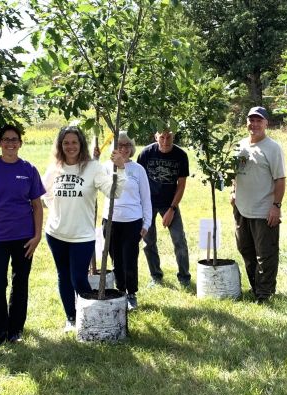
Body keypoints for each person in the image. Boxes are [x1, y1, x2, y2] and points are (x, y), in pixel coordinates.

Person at [42, 126, 127, 332]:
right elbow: (43, 195)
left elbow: (113, 193)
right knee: (63, 276)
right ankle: (71, 317)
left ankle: (89, 315)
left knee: (78, 278)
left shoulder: (93, 168)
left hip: (82, 236)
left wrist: (121, 169)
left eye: (74, 142)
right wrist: (56, 208)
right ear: (60, 145)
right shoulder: (54, 168)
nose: (70, 146)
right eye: (66, 143)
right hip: (56, 233)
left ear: (81, 144)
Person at [0, 125, 45, 348]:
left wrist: (37, 235)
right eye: (6, 139)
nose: (10, 143)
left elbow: (37, 206)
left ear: (20, 143)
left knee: (20, 284)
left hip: (24, 238)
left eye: (14, 139)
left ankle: (15, 331)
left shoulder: (29, 169)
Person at [232, 106, 286, 303]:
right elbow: (234, 173)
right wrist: (233, 192)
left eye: (258, 120)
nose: (254, 124)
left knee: (266, 253)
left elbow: (280, 180)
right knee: (245, 249)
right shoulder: (239, 145)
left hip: (264, 210)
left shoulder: (273, 148)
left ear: (266, 123)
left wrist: (276, 206)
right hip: (241, 208)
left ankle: (265, 294)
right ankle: (256, 287)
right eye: (251, 120)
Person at [102, 131, 152, 311]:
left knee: (129, 258)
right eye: (119, 145)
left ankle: (131, 293)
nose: (123, 149)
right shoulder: (106, 167)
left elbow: (146, 198)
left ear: (131, 148)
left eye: (126, 145)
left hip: (133, 222)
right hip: (111, 221)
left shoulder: (138, 169)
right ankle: (119, 291)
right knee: (116, 259)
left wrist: (146, 224)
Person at [137, 129, 191, 287]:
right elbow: (138, 181)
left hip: (170, 203)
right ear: (156, 137)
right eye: (162, 137)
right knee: (149, 242)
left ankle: (184, 277)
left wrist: (172, 209)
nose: (166, 141)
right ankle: (156, 276)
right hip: (148, 204)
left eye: (169, 137)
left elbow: (181, 186)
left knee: (179, 240)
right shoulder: (146, 153)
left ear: (174, 137)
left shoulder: (181, 155)